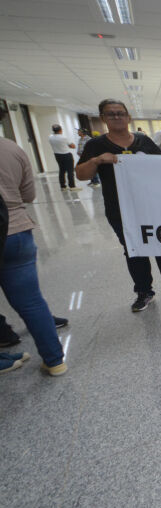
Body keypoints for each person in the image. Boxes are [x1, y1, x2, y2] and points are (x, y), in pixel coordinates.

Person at [75, 99, 161, 312]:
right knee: (134, 250)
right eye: (111, 114)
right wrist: (97, 161)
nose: (117, 117)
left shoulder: (143, 141)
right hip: (120, 210)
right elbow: (81, 174)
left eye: (120, 113)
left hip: (152, 206)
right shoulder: (96, 145)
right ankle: (144, 292)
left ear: (128, 117)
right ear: (103, 118)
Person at [0, 137, 68, 375]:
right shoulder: (12, 149)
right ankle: (55, 360)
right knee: (31, 301)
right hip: (15, 229)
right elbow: (28, 195)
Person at [49, 124, 79, 192]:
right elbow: (73, 146)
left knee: (62, 171)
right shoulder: (63, 137)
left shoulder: (50, 137)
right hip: (66, 155)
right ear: (60, 130)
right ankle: (72, 186)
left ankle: (63, 187)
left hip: (57, 155)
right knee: (70, 171)